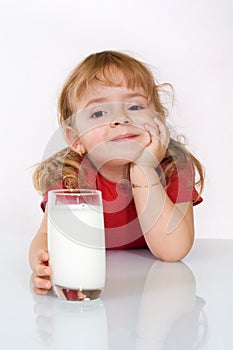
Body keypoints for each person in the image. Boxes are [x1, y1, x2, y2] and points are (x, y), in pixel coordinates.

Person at [29, 50, 204, 295]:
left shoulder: (174, 168)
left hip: (160, 291)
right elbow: (46, 236)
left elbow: (172, 252)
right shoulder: (71, 175)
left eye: (134, 106)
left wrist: (143, 168)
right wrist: (41, 261)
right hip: (98, 288)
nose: (120, 118)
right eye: (98, 113)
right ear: (75, 138)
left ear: (158, 121)